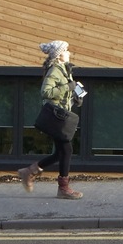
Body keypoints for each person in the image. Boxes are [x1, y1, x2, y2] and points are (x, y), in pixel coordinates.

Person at [17, 40, 86, 199]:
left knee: (61, 152)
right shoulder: (55, 70)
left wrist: (76, 98)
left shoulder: (65, 70)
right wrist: (67, 88)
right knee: (66, 150)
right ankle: (63, 188)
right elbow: (46, 92)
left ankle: (29, 172)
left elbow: (63, 94)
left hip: (62, 115)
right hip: (57, 117)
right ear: (59, 55)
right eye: (67, 50)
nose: (69, 53)